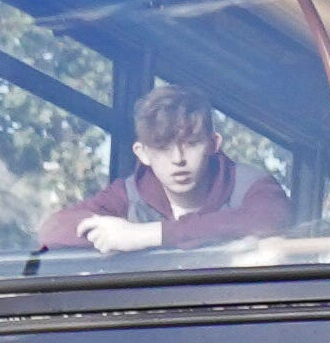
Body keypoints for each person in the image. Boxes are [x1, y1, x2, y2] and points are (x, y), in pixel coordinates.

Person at [37, 82, 295, 256]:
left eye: (191, 144)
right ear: (143, 154)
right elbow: (54, 230)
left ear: (213, 144)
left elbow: (269, 219)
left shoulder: (252, 185)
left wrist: (145, 235)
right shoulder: (129, 194)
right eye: (162, 147)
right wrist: (112, 233)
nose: (178, 159)